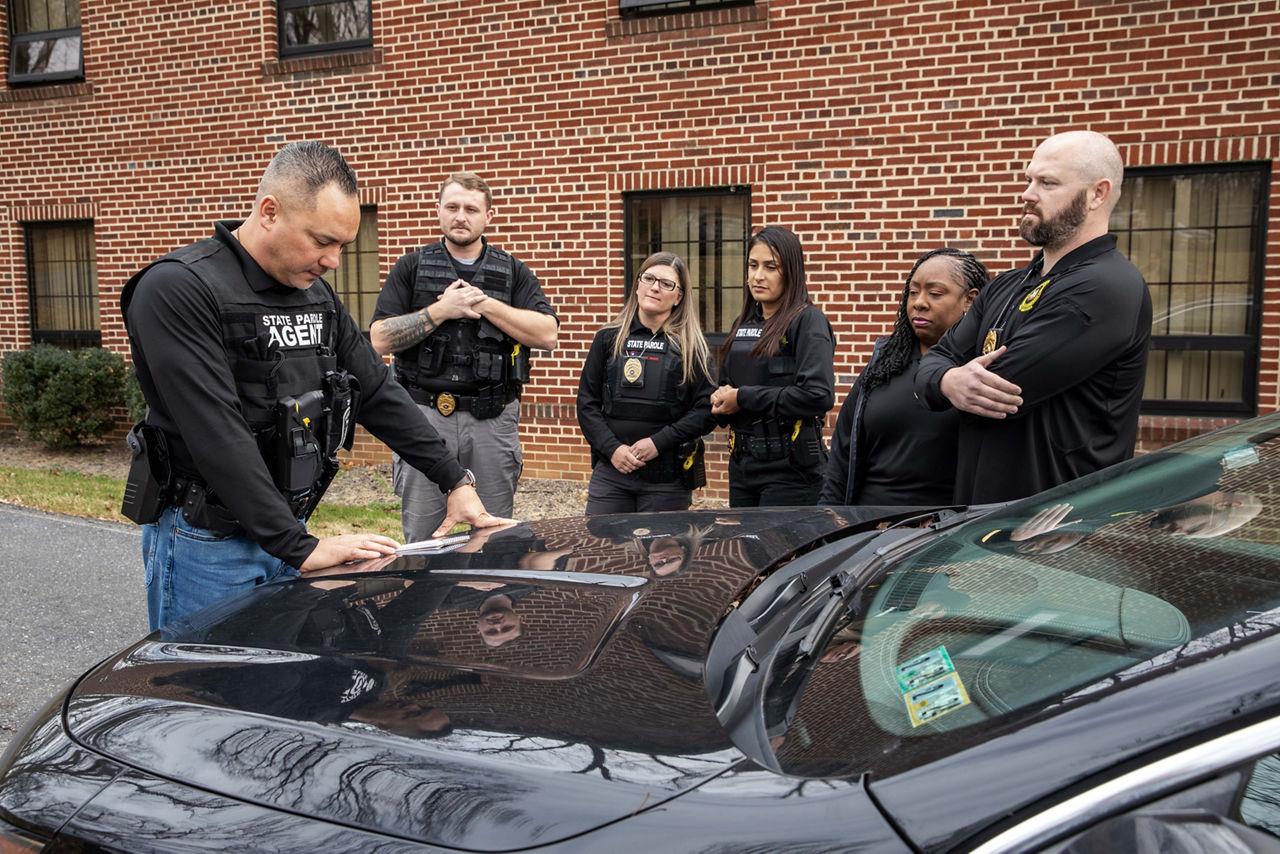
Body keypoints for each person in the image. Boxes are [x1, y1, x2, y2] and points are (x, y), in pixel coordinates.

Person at [121, 141, 507, 632]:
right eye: (322, 241)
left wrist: (454, 479)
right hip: (209, 543)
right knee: (207, 692)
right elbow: (216, 431)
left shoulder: (314, 293)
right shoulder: (178, 289)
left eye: (343, 245)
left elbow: (376, 388)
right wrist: (299, 548)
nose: (334, 261)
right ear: (269, 212)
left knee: (278, 687)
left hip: (287, 530)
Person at [914, 130, 1152, 505]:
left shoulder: (1106, 287)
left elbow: (998, 393)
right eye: (1028, 179)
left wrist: (948, 381)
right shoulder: (1006, 285)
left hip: (1057, 535)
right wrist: (947, 380)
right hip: (978, 521)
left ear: (1097, 194)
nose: (1027, 193)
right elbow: (932, 364)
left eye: (1047, 182)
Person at [371, 172, 558, 542]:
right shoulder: (411, 267)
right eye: (452, 207)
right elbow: (378, 339)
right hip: (421, 418)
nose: (461, 216)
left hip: (492, 420)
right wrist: (441, 311)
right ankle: (425, 601)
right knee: (426, 535)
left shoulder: (512, 271)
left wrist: (484, 303)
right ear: (437, 210)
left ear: (488, 215)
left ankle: (481, 600)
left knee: (491, 533)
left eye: (471, 209)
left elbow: (547, 334)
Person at [820, 248, 989, 506]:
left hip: (947, 532)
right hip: (869, 529)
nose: (919, 303)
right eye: (912, 292)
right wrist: (830, 520)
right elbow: (842, 455)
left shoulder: (980, 370)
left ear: (970, 300)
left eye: (934, 293)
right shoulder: (883, 363)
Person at [576, 252, 715, 514]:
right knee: (604, 552)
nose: (654, 287)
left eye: (666, 284)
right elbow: (587, 404)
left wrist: (657, 442)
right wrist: (612, 449)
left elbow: (706, 411)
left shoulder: (692, 348)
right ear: (637, 285)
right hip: (612, 475)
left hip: (667, 480)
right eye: (648, 278)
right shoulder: (607, 339)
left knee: (660, 555)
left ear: (679, 296)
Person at [711, 225, 835, 506]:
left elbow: (818, 395)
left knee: (783, 550)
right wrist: (719, 401)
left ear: (790, 272)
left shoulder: (808, 320)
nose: (758, 276)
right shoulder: (742, 325)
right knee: (747, 549)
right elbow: (727, 386)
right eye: (752, 265)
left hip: (790, 470)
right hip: (742, 465)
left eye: (771, 267)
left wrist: (742, 397)